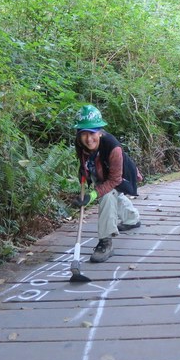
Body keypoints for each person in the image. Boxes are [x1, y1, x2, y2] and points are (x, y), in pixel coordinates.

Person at [72, 104, 142, 263]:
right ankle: (132, 218)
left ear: (100, 131)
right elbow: (84, 160)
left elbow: (114, 180)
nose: (88, 139)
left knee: (109, 195)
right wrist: (83, 172)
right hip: (101, 173)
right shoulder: (80, 143)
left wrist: (93, 194)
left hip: (121, 176)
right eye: (84, 134)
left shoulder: (113, 147)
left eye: (92, 133)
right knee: (112, 196)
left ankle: (105, 241)